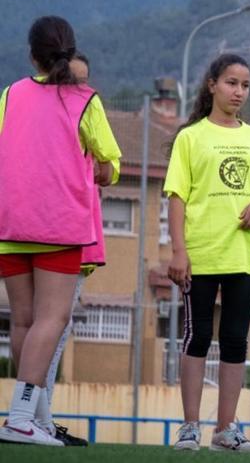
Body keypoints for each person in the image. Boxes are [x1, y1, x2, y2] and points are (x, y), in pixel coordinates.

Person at [0, 16, 121, 446]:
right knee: (53, 318)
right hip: (57, 225)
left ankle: (37, 418)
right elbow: (109, 164)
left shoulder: (9, 93)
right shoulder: (85, 100)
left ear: (32, 54)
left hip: (10, 222)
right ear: (70, 53)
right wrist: (102, 168)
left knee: (25, 321)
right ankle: (18, 418)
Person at [165, 54, 250, 452]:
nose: (239, 92)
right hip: (201, 254)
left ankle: (225, 430)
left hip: (245, 257)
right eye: (231, 83)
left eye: (245, 86)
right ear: (212, 84)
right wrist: (178, 251)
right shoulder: (191, 137)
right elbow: (176, 197)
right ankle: (190, 427)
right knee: (196, 338)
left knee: (234, 340)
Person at [38, 52, 112, 447]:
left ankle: (39, 414)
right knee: (45, 327)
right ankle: (34, 417)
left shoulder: (83, 117)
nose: (80, 91)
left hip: (74, 237)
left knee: (51, 328)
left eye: (84, 83)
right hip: (55, 234)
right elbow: (109, 165)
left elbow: (108, 167)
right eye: (72, 82)